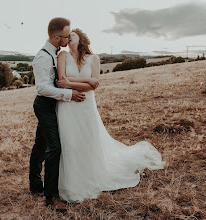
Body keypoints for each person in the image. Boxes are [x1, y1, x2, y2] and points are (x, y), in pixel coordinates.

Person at [56, 28, 166, 203]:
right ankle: (72, 182)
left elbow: (93, 86)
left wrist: (75, 82)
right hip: (67, 105)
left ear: (81, 38)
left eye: (72, 35)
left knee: (89, 139)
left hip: (86, 105)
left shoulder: (94, 59)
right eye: (67, 36)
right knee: (70, 141)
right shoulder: (62, 56)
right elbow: (62, 81)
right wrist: (85, 81)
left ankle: (91, 174)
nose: (69, 38)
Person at [29, 18, 95, 211]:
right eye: (66, 37)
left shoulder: (57, 53)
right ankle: (52, 197)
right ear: (57, 38)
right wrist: (69, 94)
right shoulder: (42, 57)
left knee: (40, 144)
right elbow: (42, 88)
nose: (68, 39)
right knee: (55, 148)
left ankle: (35, 185)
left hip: (54, 103)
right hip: (45, 105)